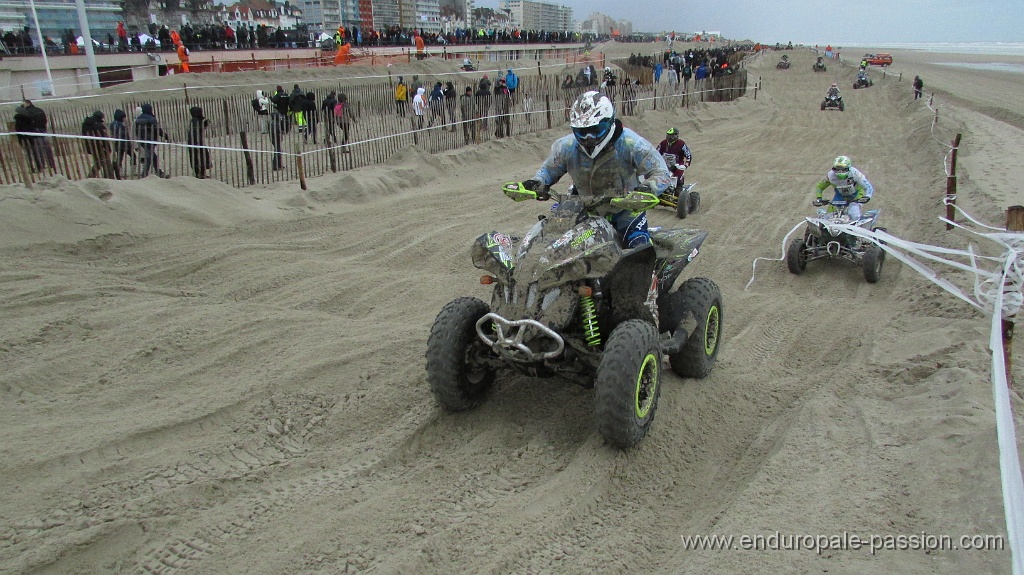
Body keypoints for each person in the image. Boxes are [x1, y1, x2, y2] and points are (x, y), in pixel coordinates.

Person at [521, 91, 671, 249]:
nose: (588, 138)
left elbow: (661, 172)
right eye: (582, 132)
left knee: (639, 248)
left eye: (595, 129)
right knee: (554, 241)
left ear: (609, 122)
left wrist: (648, 188)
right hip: (583, 208)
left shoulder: (631, 143)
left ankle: (652, 271)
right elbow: (549, 170)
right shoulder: (566, 147)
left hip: (626, 209)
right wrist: (537, 182)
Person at [813, 155, 874, 220]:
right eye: (837, 169)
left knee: (853, 214)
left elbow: (868, 186)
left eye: (843, 169)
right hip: (840, 195)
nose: (840, 172)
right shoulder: (830, 176)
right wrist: (819, 198)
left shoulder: (855, 174)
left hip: (856, 194)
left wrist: (867, 196)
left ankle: (860, 227)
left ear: (848, 168)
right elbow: (820, 187)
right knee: (828, 217)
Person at [134, 103, 170, 179]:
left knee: (153, 156)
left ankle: (159, 172)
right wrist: (164, 135)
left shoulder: (138, 119)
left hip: (142, 141)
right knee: (149, 157)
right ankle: (144, 174)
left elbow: (136, 131)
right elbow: (156, 129)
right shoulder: (151, 118)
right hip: (150, 140)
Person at [81, 110, 113, 179]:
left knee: (98, 162)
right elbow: (104, 139)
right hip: (99, 147)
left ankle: (91, 176)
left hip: (90, 147)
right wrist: (108, 148)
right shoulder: (98, 126)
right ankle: (108, 177)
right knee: (104, 162)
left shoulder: (85, 124)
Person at [109, 108, 134, 179]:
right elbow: (125, 135)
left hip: (117, 144)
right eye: (123, 117)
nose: (124, 119)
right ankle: (132, 170)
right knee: (133, 156)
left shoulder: (113, 124)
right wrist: (129, 144)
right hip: (124, 144)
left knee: (120, 158)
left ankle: (120, 171)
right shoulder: (119, 125)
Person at [186, 106, 211, 178]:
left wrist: (205, 124)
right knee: (199, 157)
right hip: (196, 143)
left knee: (201, 156)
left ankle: (201, 173)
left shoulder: (196, 120)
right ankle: (200, 174)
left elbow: (200, 128)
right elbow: (195, 131)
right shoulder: (195, 121)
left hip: (196, 142)